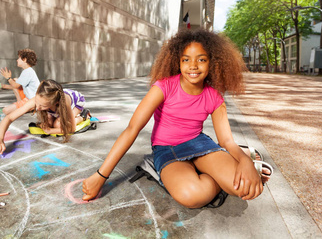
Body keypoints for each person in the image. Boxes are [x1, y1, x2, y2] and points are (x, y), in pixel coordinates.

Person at [82, 29, 271, 208]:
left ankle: (239, 157)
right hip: (167, 150)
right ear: (178, 62)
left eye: (202, 59)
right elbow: (132, 129)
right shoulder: (164, 87)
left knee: (245, 188)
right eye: (186, 59)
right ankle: (183, 169)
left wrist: (244, 163)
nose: (193, 66)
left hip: (199, 145)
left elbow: (227, 140)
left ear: (212, 62)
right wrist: (101, 175)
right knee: (193, 196)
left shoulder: (214, 96)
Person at [0, 80, 89, 154]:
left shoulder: (64, 103)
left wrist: (51, 131)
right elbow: (9, 118)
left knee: (57, 124)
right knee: (49, 123)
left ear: (55, 103)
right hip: (54, 105)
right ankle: (53, 113)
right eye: (37, 103)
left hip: (75, 102)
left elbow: (72, 128)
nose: (37, 107)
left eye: (42, 106)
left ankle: (83, 116)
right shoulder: (38, 100)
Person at [0, 49, 40, 115]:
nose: (17, 60)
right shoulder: (27, 71)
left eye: (19, 58)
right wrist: (2, 85)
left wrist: (8, 78)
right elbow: (15, 86)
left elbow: (15, 86)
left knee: (5, 111)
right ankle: (22, 106)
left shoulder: (28, 72)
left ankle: (26, 108)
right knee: (15, 81)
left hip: (32, 101)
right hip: (30, 99)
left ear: (24, 59)